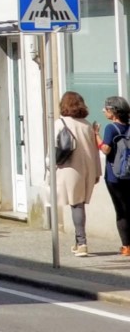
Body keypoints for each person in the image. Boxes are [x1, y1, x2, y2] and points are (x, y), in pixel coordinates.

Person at [55, 91, 101, 257]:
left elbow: (54, 149)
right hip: (87, 168)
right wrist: (97, 171)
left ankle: (82, 243)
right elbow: (95, 151)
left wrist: (49, 167)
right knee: (79, 203)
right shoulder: (87, 125)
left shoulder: (60, 123)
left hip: (69, 168)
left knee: (76, 204)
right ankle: (78, 242)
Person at [99, 95, 130, 257]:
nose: (104, 111)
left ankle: (126, 246)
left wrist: (95, 137)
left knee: (121, 211)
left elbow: (106, 150)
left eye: (106, 108)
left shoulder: (111, 128)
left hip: (115, 176)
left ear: (114, 111)